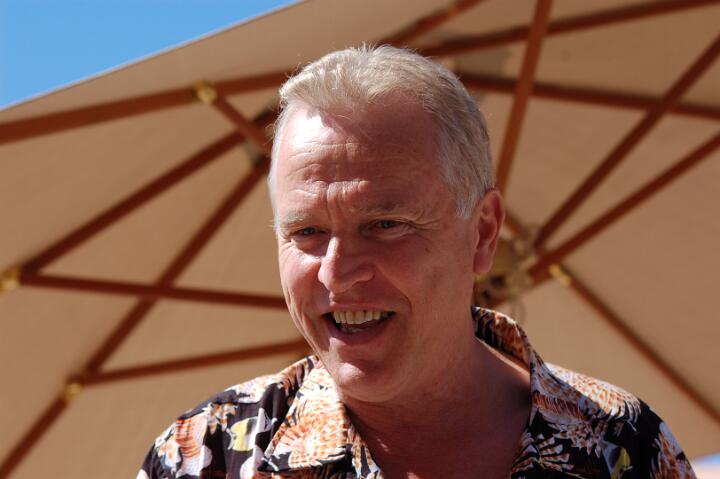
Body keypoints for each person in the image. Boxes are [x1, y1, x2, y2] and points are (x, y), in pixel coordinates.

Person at [138, 46, 695, 479]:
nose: (336, 272)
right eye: (306, 232)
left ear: (482, 233)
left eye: (385, 225)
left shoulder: (624, 447)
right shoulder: (206, 456)